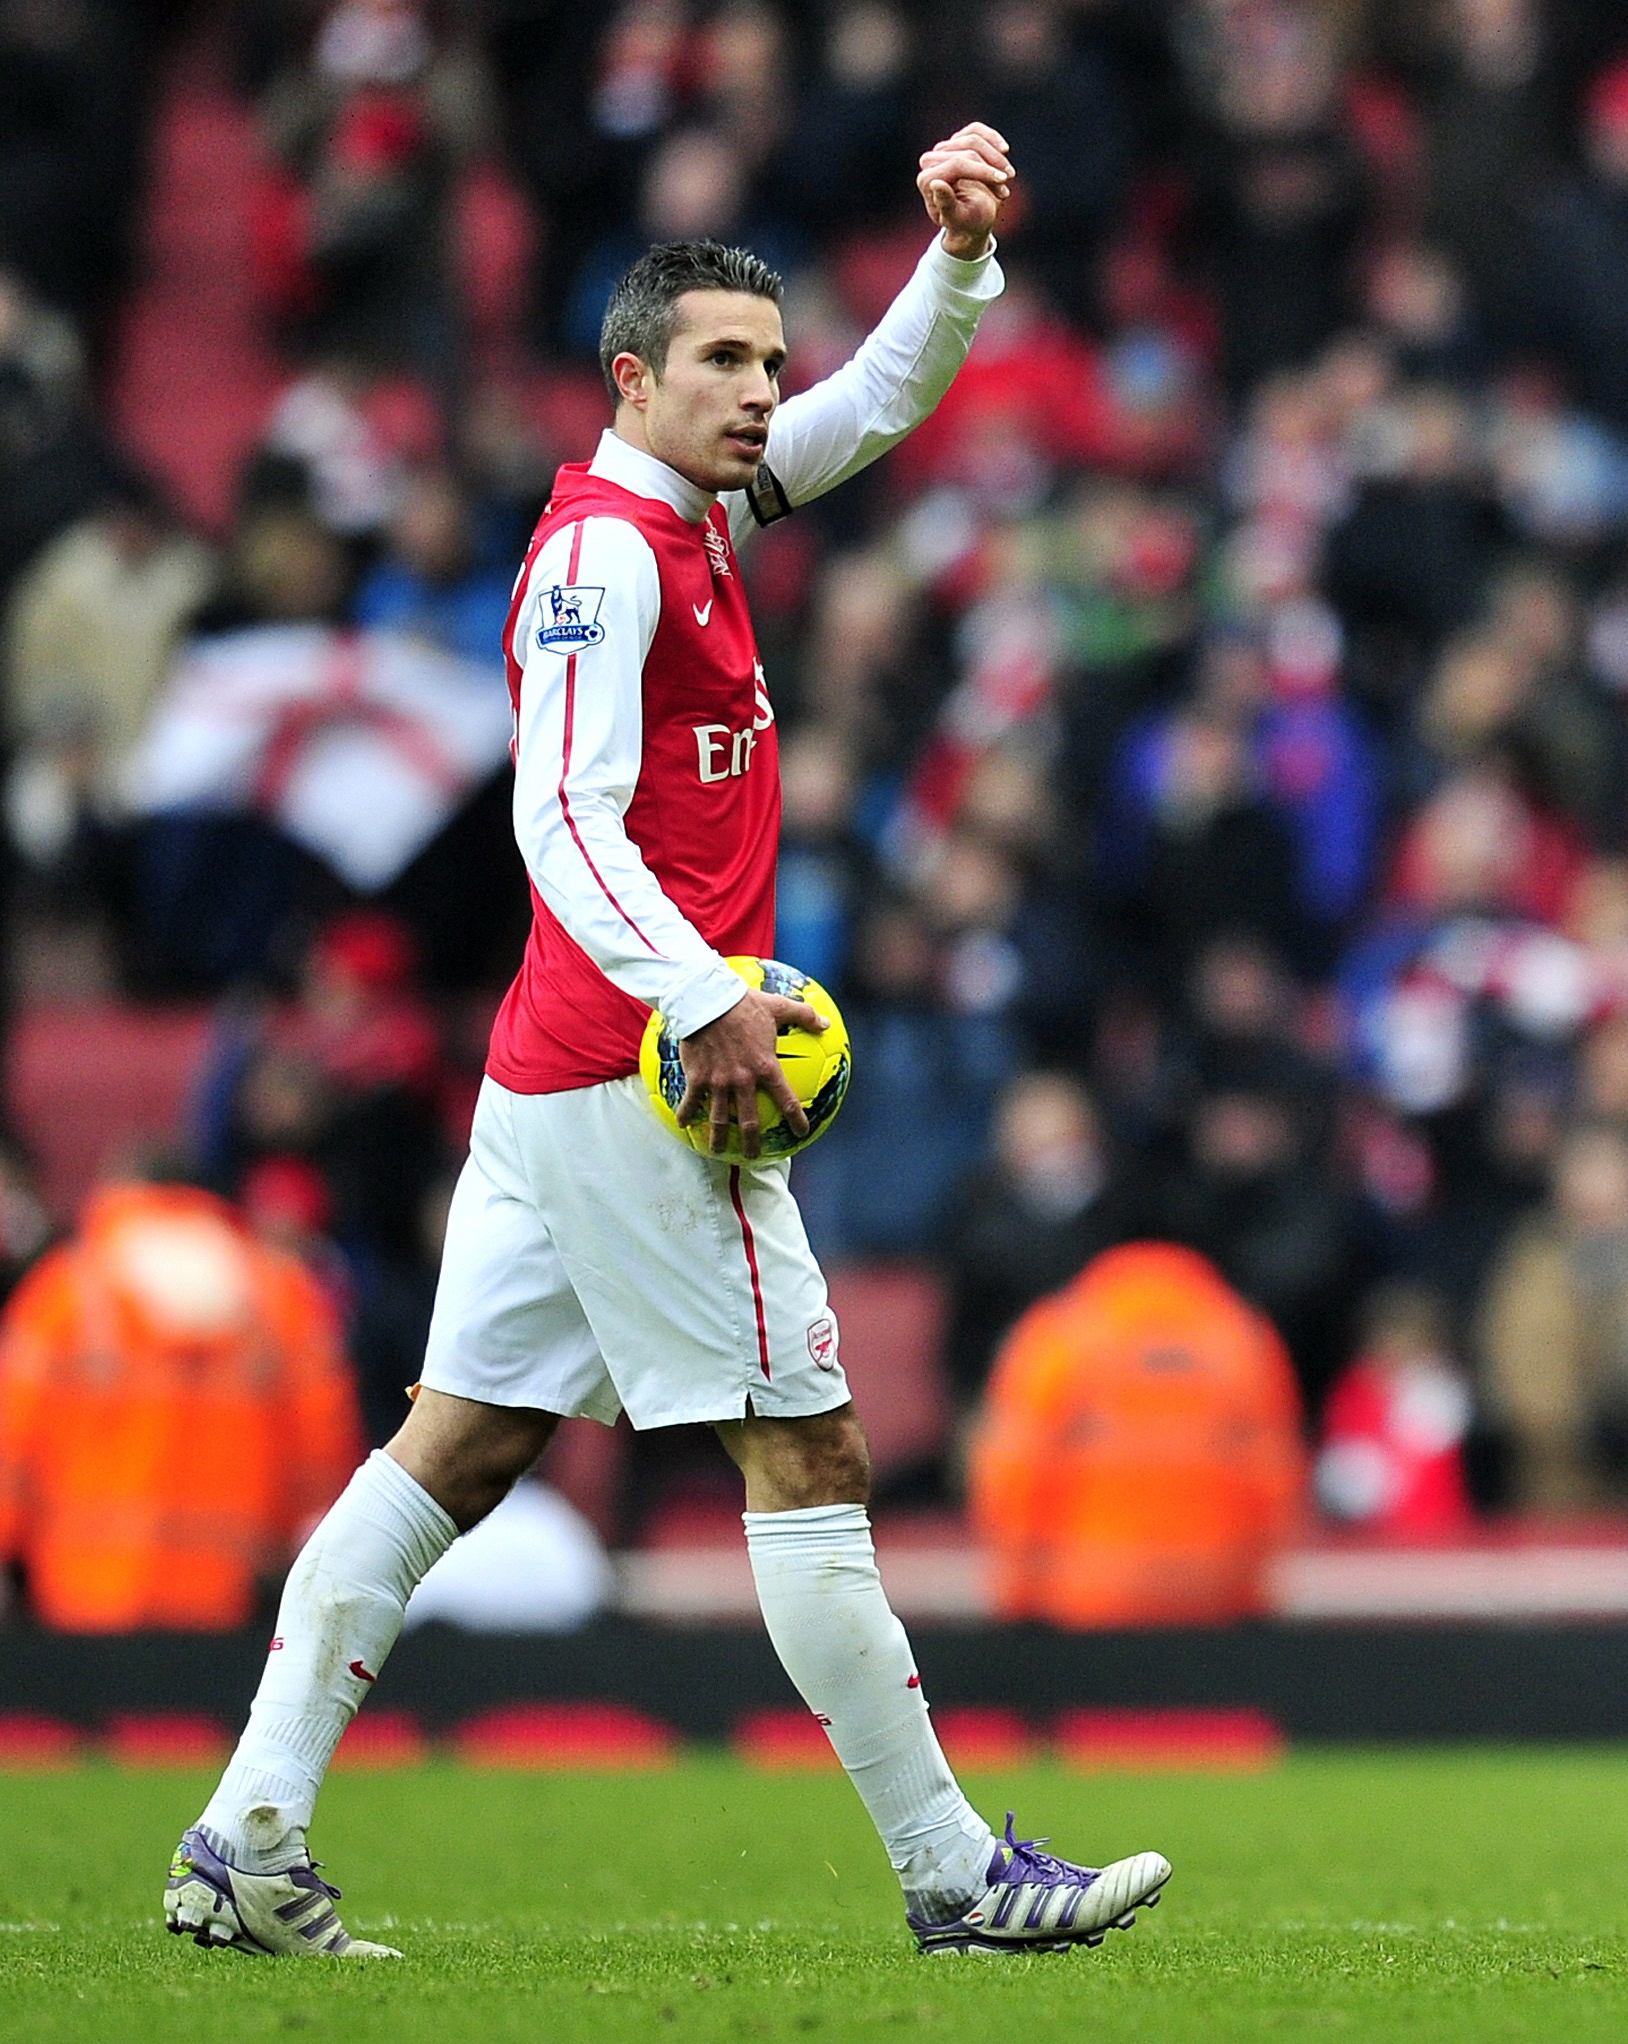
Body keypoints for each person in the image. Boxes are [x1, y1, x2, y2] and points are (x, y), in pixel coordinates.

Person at [167, 126, 1172, 1963]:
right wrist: (706, 994)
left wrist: (953, 256)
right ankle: (954, 1869)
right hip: (645, 1074)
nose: (760, 391)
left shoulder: (702, 512)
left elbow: (872, 408)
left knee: (454, 1450)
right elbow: (560, 815)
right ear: (631, 375)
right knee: (814, 1447)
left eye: (765, 361)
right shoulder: (602, 556)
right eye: (723, 361)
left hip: (562, 1069)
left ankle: (245, 1831)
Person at [0, 1174, 362, 1630]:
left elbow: (11, 1440)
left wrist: (1, 1547)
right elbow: (322, 1456)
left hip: (85, 1596)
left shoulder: (65, 1291)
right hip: (236, 1601)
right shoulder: (281, 1296)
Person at [969, 1241, 1308, 1624]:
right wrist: (1251, 1593)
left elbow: (1014, 1477)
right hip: (1213, 1601)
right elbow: (1276, 1482)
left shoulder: (1060, 1335)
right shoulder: (1241, 1339)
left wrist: (1017, 1595)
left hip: (1080, 1599)